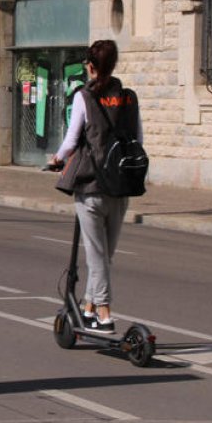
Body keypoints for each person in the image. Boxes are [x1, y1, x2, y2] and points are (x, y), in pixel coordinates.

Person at [48, 39, 144, 334]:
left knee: (96, 256)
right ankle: (88, 309)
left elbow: (72, 139)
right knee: (105, 256)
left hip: (91, 186)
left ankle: (104, 314)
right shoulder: (129, 97)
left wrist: (56, 159)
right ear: (113, 65)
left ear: (89, 66)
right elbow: (138, 138)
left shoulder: (84, 97)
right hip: (122, 185)